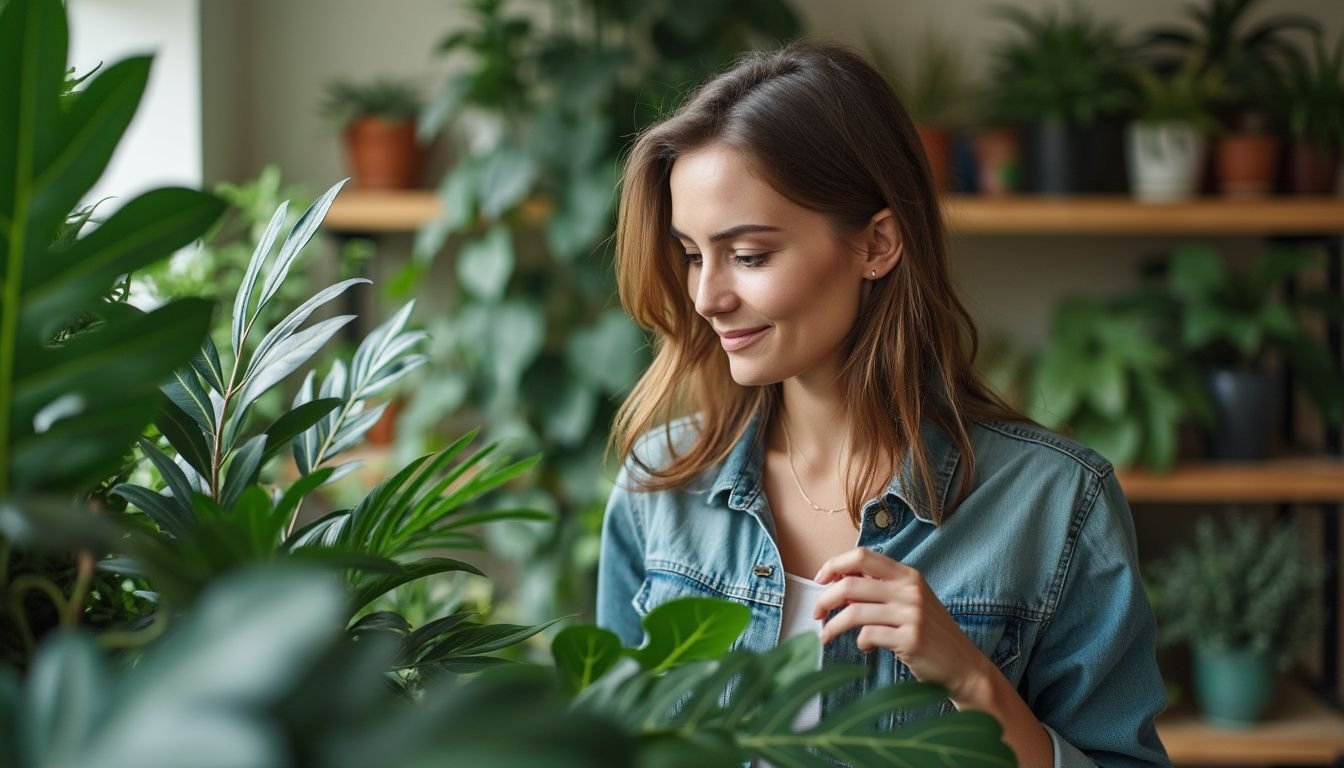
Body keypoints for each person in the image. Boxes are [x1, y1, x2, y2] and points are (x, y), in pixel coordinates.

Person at [596, 40, 1170, 768]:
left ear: (877, 244)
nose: (708, 296)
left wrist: (970, 679)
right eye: (690, 254)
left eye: (748, 256)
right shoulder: (662, 483)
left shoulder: (1055, 507)